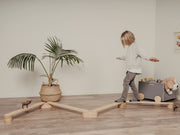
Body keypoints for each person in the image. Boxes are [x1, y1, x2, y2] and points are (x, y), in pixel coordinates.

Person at [115, 30, 159, 102]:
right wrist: (121, 58)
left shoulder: (136, 46)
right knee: (131, 84)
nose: (124, 42)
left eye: (125, 40)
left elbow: (143, 54)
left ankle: (123, 98)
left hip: (133, 69)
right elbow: (128, 56)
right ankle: (137, 97)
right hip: (130, 69)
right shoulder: (130, 47)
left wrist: (149, 58)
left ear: (129, 39)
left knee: (125, 81)